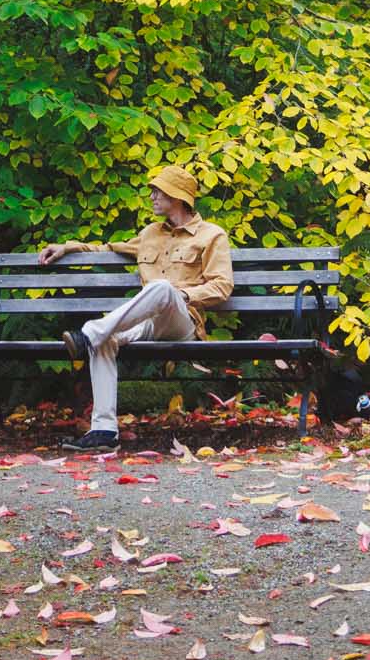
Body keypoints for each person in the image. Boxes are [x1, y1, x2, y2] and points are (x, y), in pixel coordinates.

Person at [39, 165, 234, 452]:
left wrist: (182, 294)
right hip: (148, 321)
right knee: (106, 339)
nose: (152, 196)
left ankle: (89, 332)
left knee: (163, 288)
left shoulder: (212, 235)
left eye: (158, 191)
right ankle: (104, 431)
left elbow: (222, 286)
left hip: (183, 322)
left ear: (178, 196)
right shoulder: (150, 234)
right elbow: (109, 249)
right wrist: (68, 247)